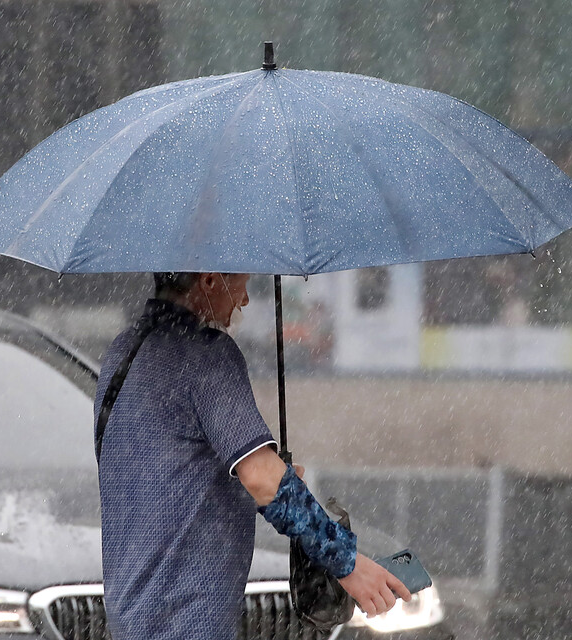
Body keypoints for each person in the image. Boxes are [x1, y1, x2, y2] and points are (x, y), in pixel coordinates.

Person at [95, 271, 411, 640]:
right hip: (188, 620)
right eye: (241, 283)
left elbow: (158, 473)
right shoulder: (207, 354)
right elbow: (261, 478)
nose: (244, 300)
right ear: (210, 281)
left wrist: (264, 478)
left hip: (130, 616)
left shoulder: (122, 352)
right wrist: (347, 562)